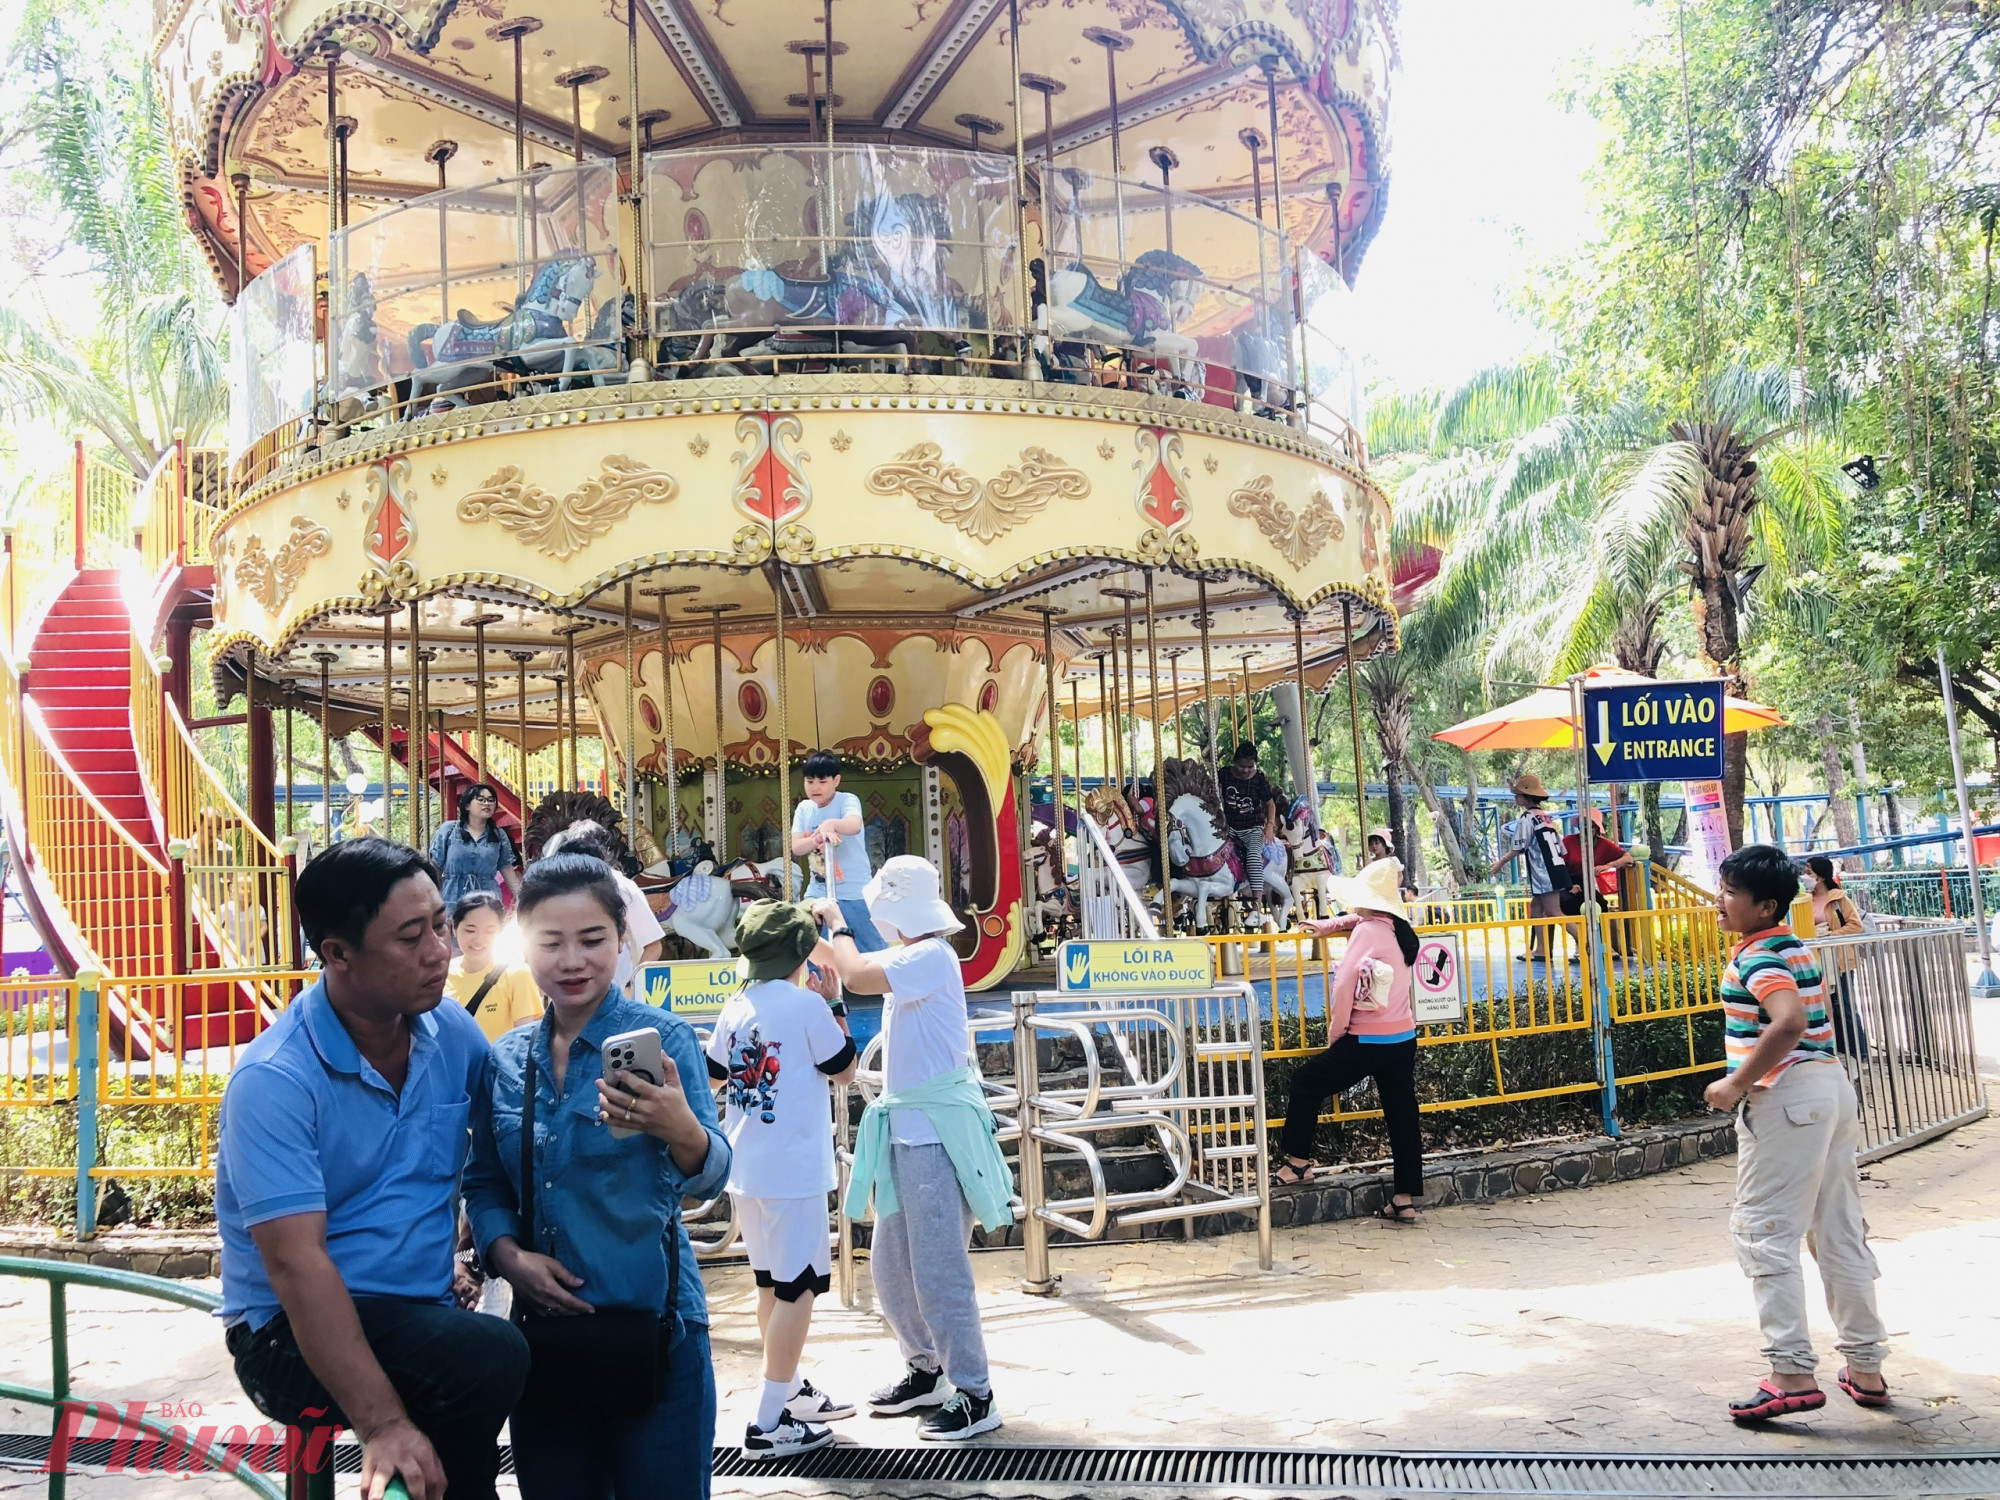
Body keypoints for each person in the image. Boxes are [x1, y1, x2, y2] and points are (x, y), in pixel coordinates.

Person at [216, 839, 528, 1500]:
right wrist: (381, 1424)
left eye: (441, 924)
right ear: (337, 954)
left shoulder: (449, 1031)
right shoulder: (275, 1081)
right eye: (410, 937)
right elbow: (297, 1269)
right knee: (487, 1357)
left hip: (420, 1316)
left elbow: (508, 1141)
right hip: (286, 1337)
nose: (441, 950)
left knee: (546, 1346)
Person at [463, 852, 731, 1499]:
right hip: (546, 1341)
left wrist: (681, 1129)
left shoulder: (664, 1041)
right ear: (524, 944)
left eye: (592, 940)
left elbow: (710, 1179)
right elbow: (486, 1180)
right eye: (551, 942)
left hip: (656, 1333)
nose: (573, 960)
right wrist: (506, 1255)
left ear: (621, 941)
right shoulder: (507, 1059)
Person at [813, 855, 1011, 1443]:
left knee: (937, 1268)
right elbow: (849, 967)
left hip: (935, 1133)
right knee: (893, 1266)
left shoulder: (930, 955)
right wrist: (812, 936)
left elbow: (854, 971)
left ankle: (975, 1391)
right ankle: (925, 1369)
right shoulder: (914, 958)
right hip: (907, 1130)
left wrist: (834, 920)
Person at [1704, 844, 1890, 1424]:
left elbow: (1788, 1022)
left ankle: (1789, 1373)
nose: (1720, 900)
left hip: (1787, 1099)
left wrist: (1735, 1083)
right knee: (1836, 1230)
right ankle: (1865, 1367)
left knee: (1763, 1233)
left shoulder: (1758, 956)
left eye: (1731, 892)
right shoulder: (1792, 945)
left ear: (1763, 906)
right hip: (1830, 1089)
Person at [704, 901, 860, 1458]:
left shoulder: (736, 1005)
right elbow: (846, 1068)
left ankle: (790, 1392)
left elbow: (716, 1077)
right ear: (801, 954)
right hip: (793, 1170)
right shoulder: (807, 1006)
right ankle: (769, 1421)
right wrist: (836, 999)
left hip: (746, 1168)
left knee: (771, 1284)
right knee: (799, 1288)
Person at [1270, 858, 1424, 1223]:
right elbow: (1360, 919)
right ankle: (1405, 1198)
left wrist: (1337, 1033)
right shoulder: (1397, 927)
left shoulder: (1368, 932)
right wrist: (1332, 924)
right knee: (1403, 1115)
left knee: (1306, 1083)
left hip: (1368, 1040)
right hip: (1402, 1037)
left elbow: (1343, 987)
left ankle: (1297, 1162)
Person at [541, 821, 664, 997]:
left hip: (614, 994)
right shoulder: (558, 887)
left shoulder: (622, 888)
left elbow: (653, 944)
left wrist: (632, 985)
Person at [792, 750, 888, 951]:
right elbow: (797, 847)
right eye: (809, 782)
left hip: (853, 890)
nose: (815, 787)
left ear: (836, 780)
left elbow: (854, 825)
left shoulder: (847, 800)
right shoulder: (804, 808)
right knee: (814, 947)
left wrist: (831, 824)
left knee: (871, 949)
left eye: (822, 781)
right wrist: (818, 837)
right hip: (817, 891)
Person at [1488, 773, 1573, 960]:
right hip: (1555, 867)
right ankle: (1542, 949)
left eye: (1517, 795)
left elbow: (1518, 847)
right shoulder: (1545, 817)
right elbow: (1562, 848)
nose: (1515, 798)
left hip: (1544, 870)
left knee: (1554, 912)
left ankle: (1587, 941)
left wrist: (1499, 863)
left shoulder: (1527, 818)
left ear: (1526, 797)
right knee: (1536, 907)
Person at [445, 892, 543, 1042]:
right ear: (454, 928)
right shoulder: (443, 973)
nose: (479, 939)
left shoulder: (517, 974)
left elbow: (525, 1043)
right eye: (470, 930)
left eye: (490, 931)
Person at [1805, 854, 1869, 1061]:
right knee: (1826, 1005)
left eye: (1809, 873)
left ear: (1820, 877)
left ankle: (1859, 1052)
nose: (1805, 877)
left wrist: (1829, 936)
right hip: (1816, 960)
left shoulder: (1839, 899)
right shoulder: (1804, 899)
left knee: (1845, 1004)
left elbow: (1855, 925)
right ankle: (1837, 1049)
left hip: (1839, 959)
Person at [428, 784, 520, 913]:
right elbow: (435, 866)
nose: (486, 803)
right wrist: (431, 896)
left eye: (491, 800)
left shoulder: (499, 835)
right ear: (467, 805)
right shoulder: (449, 830)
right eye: (481, 799)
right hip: (452, 897)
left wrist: (521, 898)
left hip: (488, 898)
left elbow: (507, 869)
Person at [1562, 809, 1636, 955]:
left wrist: (1608, 865)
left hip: (1588, 883)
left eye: (1589, 826)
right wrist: (1568, 885)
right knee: (1568, 903)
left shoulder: (1603, 844)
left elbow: (1628, 858)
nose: (1584, 829)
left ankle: (1602, 942)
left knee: (1600, 904)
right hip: (1568, 882)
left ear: (1596, 829)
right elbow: (1558, 866)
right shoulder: (1568, 841)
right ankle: (1580, 943)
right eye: (1582, 825)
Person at [1220, 742, 1278, 898]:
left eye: (1250, 766)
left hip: (1252, 827)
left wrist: (1269, 825)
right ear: (1235, 762)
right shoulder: (1224, 774)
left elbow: (1270, 804)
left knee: (1253, 857)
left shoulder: (1259, 779)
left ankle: (1257, 902)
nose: (1245, 770)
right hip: (1228, 827)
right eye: (1241, 766)